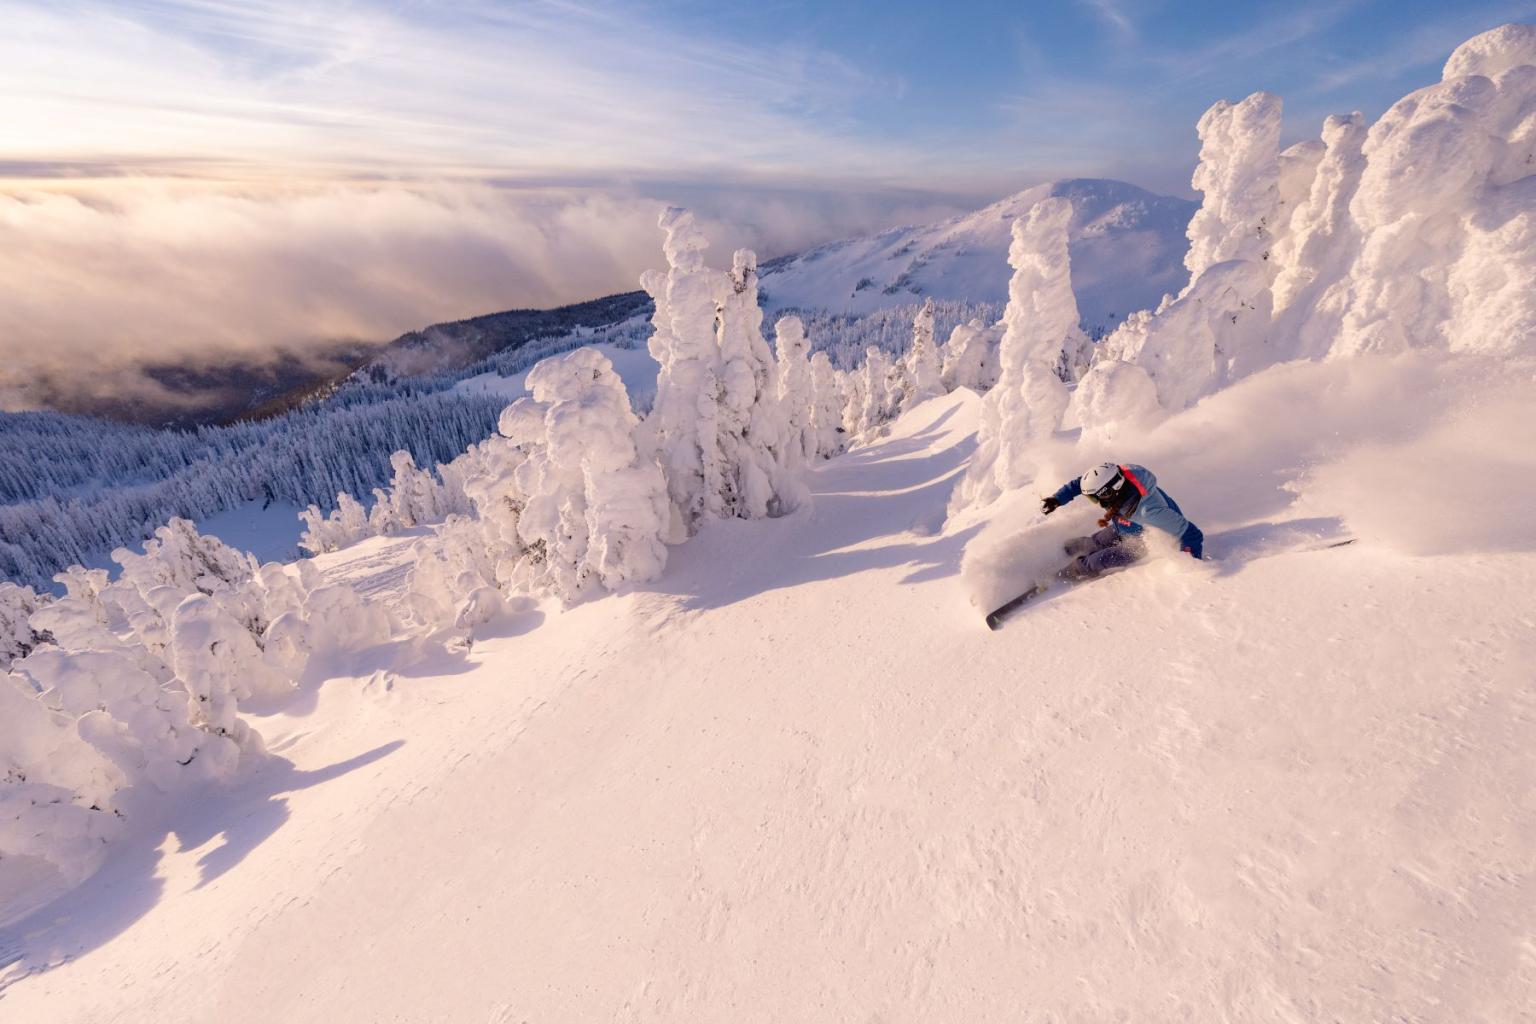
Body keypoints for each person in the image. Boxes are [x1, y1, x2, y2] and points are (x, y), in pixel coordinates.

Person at [1042, 462, 1203, 581]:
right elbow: (1083, 483)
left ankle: (1066, 575)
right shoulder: (1119, 476)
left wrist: (1189, 562)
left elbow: (1192, 535)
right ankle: (1068, 549)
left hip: (1144, 541)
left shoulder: (1150, 513)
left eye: (1093, 498)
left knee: (1097, 560)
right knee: (1095, 541)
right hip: (1126, 525)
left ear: (1108, 493)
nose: (1094, 501)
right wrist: (1057, 499)